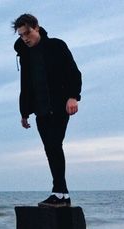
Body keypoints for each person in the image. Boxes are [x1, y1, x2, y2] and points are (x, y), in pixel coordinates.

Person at [12, 14, 82, 207]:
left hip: (60, 106)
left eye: (27, 33)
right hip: (40, 110)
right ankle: (62, 195)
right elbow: (25, 85)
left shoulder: (56, 46)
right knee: (50, 149)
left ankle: (59, 193)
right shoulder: (25, 55)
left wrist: (73, 96)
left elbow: (73, 72)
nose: (25, 38)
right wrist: (24, 112)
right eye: (21, 35)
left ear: (37, 28)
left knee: (54, 146)